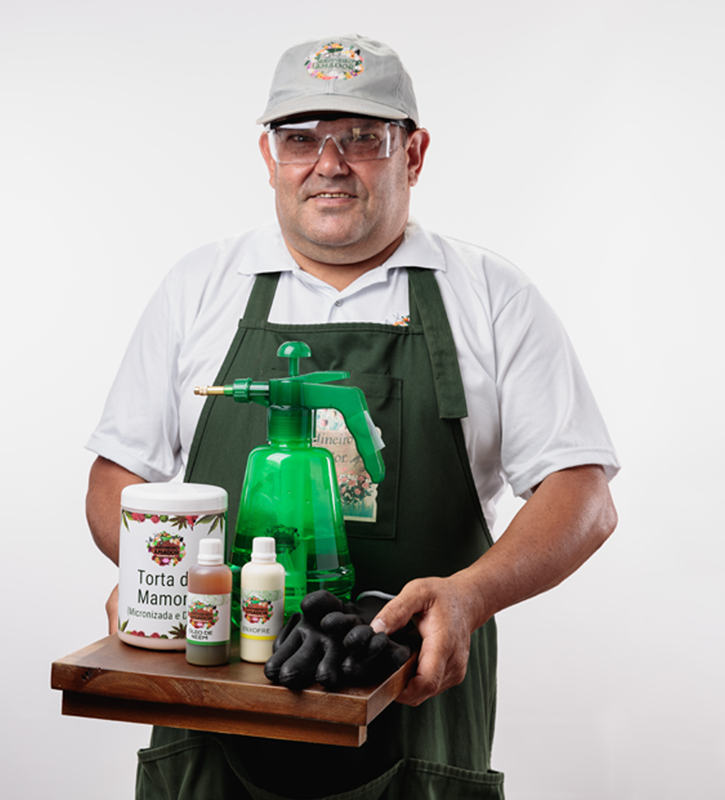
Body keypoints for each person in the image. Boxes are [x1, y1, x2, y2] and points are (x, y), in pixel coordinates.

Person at [85, 34, 619, 800]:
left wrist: (470, 595)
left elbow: (583, 496)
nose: (328, 164)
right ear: (270, 156)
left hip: (416, 710)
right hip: (216, 701)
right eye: (300, 139)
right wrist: (154, 577)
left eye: (363, 137)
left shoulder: (490, 296)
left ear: (414, 153)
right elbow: (116, 476)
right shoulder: (199, 287)